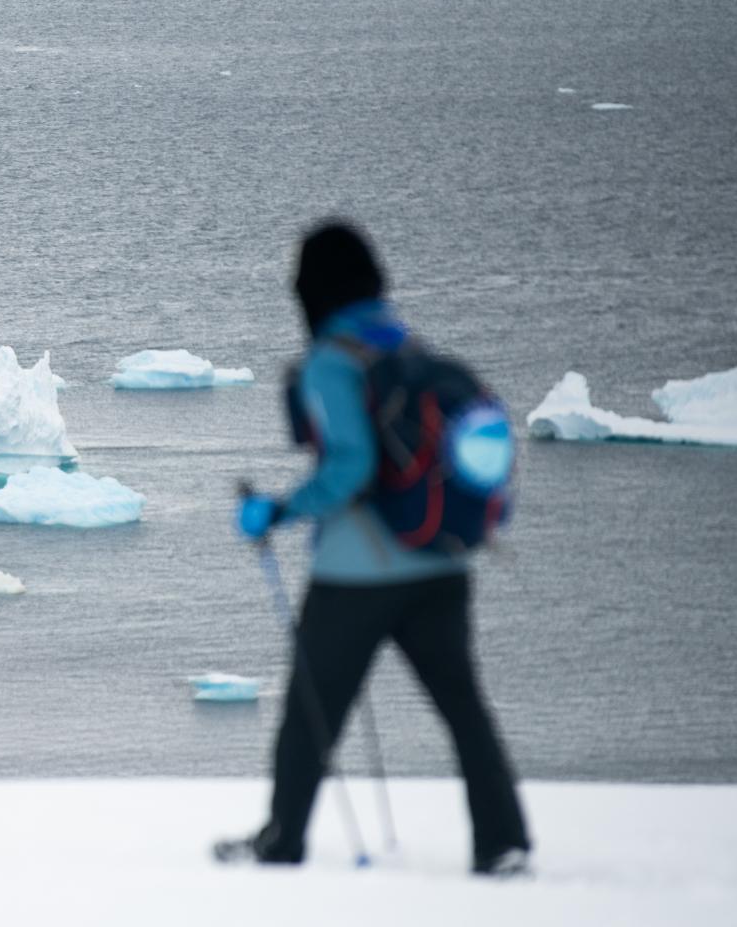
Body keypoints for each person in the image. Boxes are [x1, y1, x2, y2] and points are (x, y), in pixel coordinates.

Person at [216, 220, 532, 877]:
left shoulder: (333, 360)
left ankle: (283, 839)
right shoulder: (404, 340)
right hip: (443, 563)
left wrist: (279, 509)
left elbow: (351, 468)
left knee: (310, 709)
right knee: (464, 708)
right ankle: (502, 842)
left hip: (357, 575)